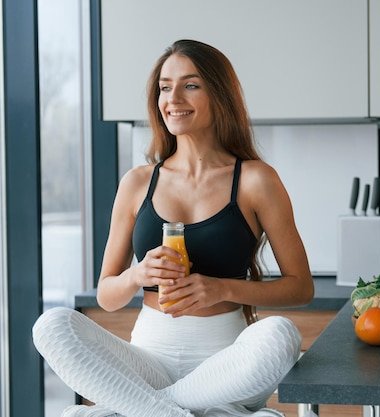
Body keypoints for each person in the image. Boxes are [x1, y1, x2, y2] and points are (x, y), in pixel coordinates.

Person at [32, 39, 316, 417]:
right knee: (51, 325)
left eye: (191, 85)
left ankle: (150, 410)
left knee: (281, 334)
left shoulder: (255, 180)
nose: (173, 98)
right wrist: (137, 275)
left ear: (220, 94)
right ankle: (173, 411)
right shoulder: (137, 182)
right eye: (165, 87)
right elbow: (107, 295)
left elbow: (301, 286)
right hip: (148, 361)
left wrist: (221, 288)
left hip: (226, 364)